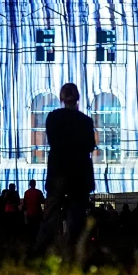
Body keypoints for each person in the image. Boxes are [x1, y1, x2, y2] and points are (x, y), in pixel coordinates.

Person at [32, 82, 97, 258]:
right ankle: (73, 252)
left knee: (51, 214)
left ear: (61, 98)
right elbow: (90, 146)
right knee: (76, 217)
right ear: (78, 99)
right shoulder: (85, 121)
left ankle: (43, 250)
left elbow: (53, 142)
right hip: (79, 175)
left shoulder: (53, 118)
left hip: (58, 173)